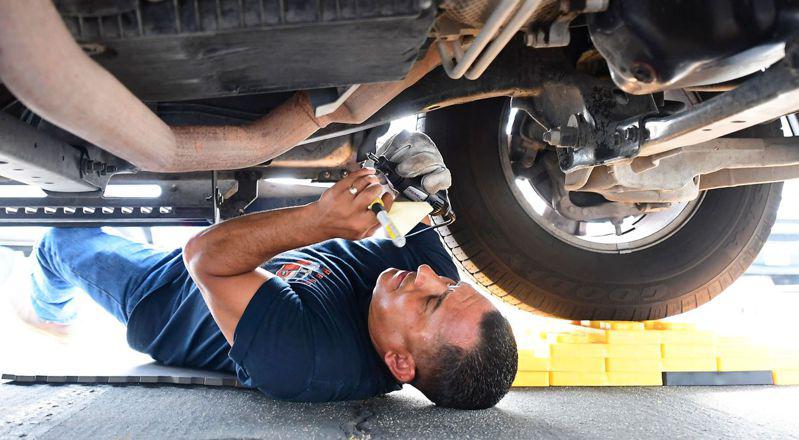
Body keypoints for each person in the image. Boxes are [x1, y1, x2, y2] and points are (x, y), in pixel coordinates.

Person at [13, 131, 518, 409]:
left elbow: (203, 259)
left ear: (401, 364)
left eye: (432, 301)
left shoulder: (308, 362)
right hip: (255, 249)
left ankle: (45, 311)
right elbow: (415, 193)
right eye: (450, 285)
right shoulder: (422, 273)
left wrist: (320, 220)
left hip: (168, 294)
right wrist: (410, 164)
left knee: (64, 239)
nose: (429, 276)